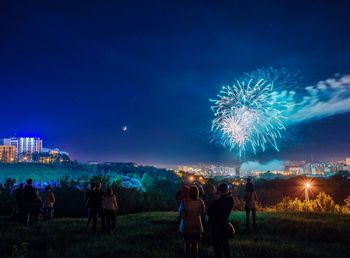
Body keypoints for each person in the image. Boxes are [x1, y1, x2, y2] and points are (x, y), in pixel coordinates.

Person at [207, 183, 234, 258]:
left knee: (217, 247)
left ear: (219, 191)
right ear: (227, 190)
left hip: (216, 226)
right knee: (225, 245)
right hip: (225, 224)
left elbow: (209, 213)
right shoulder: (231, 201)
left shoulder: (217, 202)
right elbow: (229, 196)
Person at [180, 185, 205, 258]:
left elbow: (181, 213)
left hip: (187, 225)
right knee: (195, 243)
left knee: (187, 243)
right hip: (197, 224)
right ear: (197, 193)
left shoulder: (185, 201)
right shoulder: (201, 202)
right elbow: (202, 212)